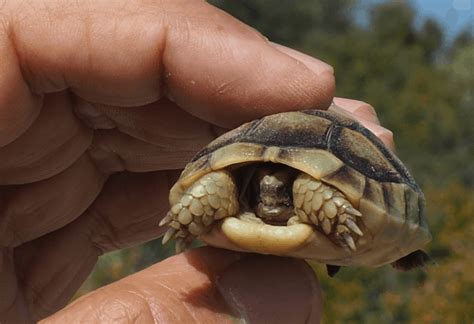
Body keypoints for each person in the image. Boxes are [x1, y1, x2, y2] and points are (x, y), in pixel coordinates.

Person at [0, 1, 394, 323]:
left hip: (343, 196)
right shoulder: (227, 186)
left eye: (283, 191)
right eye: (263, 188)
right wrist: (191, 211)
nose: (271, 195)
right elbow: (210, 186)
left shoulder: (311, 188)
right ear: (249, 185)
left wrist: (335, 211)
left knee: (313, 189)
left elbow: (313, 186)